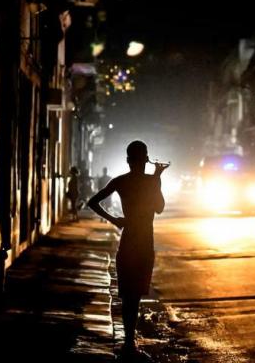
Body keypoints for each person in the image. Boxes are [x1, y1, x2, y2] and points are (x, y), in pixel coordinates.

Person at [87, 141, 168, 357]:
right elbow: (159, 208)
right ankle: (130, 342)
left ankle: (129, 342)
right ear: (146, 159)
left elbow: (92, 202)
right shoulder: (151, 182)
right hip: (144, 243)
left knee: (127, 295)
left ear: (128, 160)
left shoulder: (121, 181)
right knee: (136, 295)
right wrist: (157, 178)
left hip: (128, 240)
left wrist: (114, 220)